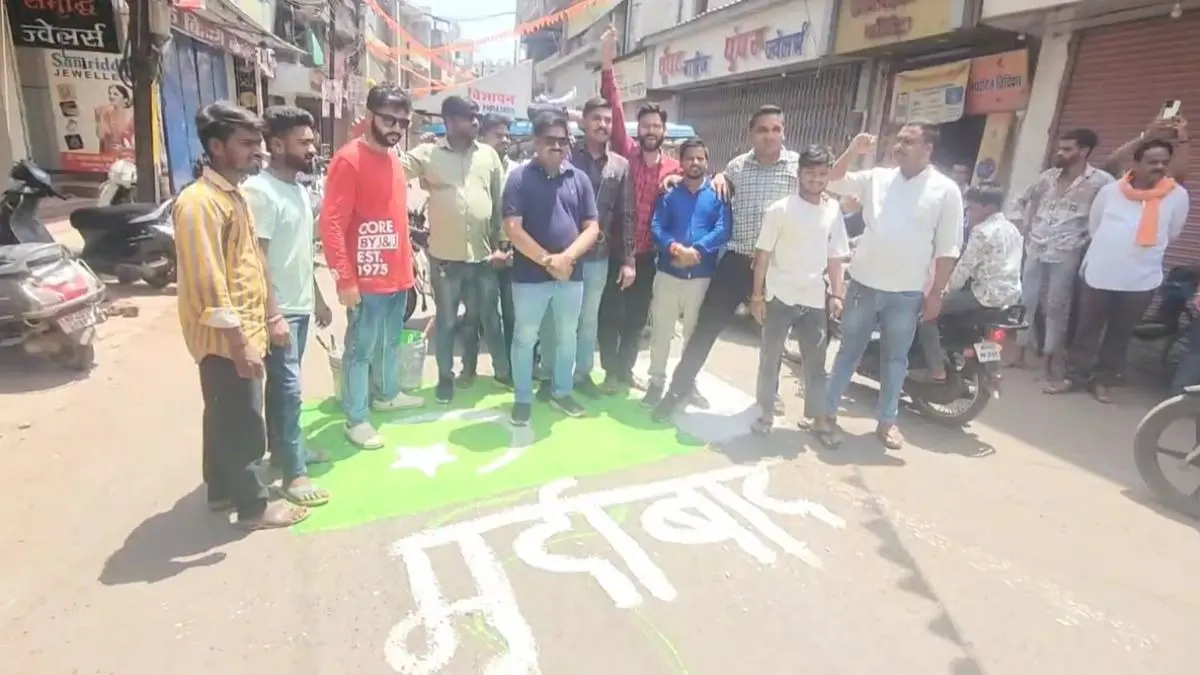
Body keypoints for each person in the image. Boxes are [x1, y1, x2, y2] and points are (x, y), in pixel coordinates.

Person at [173, 102, 307, 529]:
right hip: (226, 338)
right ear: (217, 147)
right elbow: (208, 282)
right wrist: (239, 342)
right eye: (246, 143)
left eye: (258, 142)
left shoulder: (234, 196)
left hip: (245, 328)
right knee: (244, 421)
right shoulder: (199, 203)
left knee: (223, 413)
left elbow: (251, 263)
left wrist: (269, 317)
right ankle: (253, 507)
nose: (258, 151)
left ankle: (222, 491)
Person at [650, 105, 800, 422]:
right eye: (763, 129)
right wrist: (687, 176)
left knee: (772, 335)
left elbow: (818, 189)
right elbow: (707, 180)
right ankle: (676, 391)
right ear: (751, 133)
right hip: (737, 261)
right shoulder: (736, 167)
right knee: (704, 330)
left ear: (784, 132)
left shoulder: (797, 167)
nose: (770, 135)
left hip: (776, 265)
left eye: (776, 129)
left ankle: (768, 396)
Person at [821, 124, 964, 450]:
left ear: (928, 148)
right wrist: (853, 151)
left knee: (895, 360)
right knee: (848, 352)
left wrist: (937, 293)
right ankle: (826, 412)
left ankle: (887, 422)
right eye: (898, 140)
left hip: (906, 293)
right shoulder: (878, 178)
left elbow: (947, 249)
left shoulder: (945, 190)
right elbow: (832, 180)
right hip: (863, 285)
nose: (899, 145)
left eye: (909, 141)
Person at [1045, 138, 1191, 403]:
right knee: (1086, 329)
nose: (1159, 167)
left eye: (1163, 162)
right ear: (1136, 163)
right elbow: (1095, 226)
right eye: (1152, 161)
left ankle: (1104, 380)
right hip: (1101, 272)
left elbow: (1172, 233)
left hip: (1142, 278)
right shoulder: (1111, 191)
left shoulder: (1176, 196)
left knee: (1120, 334)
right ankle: (1074, 377)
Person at [319, 84, 423, 449]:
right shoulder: (349, 160)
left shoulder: (394, 159)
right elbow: (332, 224)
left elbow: (395, 218)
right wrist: (344, 279)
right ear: (369, 116)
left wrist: (409, 267)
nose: (396, 128)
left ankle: (387, 394)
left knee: (390, 343)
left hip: (398, 277)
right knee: (359, 351)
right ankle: (356, 418)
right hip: (365, 280)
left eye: (403, 122)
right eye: (389, 120)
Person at [243, 106, 333, 509]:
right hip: (278, 311)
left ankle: (284, 453)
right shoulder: (260, 192)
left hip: (300, 307)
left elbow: (300, 253)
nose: (312, 149)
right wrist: (272, 314)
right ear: (277, 145)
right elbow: (257, 258)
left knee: (284, 391)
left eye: (312, 141)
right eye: (304, 142)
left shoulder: (297, 189)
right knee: (290, 392)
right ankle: (293, 475)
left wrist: (318, 298)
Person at [401, 96, 510, 403]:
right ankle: (445, 377)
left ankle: (484, 371)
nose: (475, 122)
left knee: (482, 318)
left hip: (483, 257)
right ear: (449, 121)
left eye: (477, 116)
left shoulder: (488, 155)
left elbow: (499, 203)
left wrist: (503, 245)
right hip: (445, 261)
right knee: (447, 321)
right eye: (468, 117)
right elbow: (392, 170)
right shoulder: (428, 154)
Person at [502, 113, 602, 426]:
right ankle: (522, 398)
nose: (557, 146)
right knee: (525, 337)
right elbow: (512, 228)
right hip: (529, 278)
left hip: (570, 276)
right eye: (550, 140)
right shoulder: (519, 178)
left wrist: (567, 258)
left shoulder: (579, 179)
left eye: (562, 140)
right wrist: (549, 260)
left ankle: (562, 392)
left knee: (567, 336)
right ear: (536, 142)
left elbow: (592, 227)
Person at [598, 26, 680, 393]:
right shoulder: (625, 153)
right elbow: (613, 103)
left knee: (635, 319)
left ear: (663, 131)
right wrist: (607, 56)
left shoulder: (674, 169)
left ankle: (625, 369)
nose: (650, 130)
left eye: (656, 126)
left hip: (648, 258)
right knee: (610, 315)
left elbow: (700, 183)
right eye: (645, 125)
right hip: (617, 251)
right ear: (638, 130)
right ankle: (609, 372)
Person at [748, 145, 849, 444]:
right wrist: (757, 297)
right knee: (770, 358)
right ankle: (766, 413)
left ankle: (819, 420)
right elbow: (763, 256)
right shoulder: (780, 210)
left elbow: (835, 256)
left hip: (814, 299)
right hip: (779, 296)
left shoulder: (833, 209)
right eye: (810, 174)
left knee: (816, 364)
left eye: (822, 174)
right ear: (799, 173)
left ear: (828, 175)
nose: (816, 180)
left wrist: (837, 294)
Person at [536, 95, 632, 399]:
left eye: (608, 120)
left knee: (588, 320)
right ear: (584, 123)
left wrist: (628, 259)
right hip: (563, 255)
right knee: (555, 318)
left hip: (597, 258)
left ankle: (581, 373)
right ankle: (549, 374)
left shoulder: (619, 165)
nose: (603, 125)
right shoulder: (565, 157)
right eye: (597, 119)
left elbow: (625, 214)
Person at [1006, 128, 1113, 372]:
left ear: (1084, 151)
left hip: (1067, 250)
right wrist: (1022, 226)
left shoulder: (1101, 182)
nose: (1060, 153)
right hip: (1036, 245)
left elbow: (1111, 210)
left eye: (1067, 149)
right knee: (1026, 300)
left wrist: (1088, 237)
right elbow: (1020, 199)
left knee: (1057, 305)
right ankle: (1019, 352)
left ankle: (1049, 357)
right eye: (1060, 148)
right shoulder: (1048, 177)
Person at [644, 138, 730, 407]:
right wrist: (675, 249)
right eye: (690, 158)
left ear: (707, 161)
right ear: (681, 162)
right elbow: (656, 227)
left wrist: (697, 251)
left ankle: (687, 384)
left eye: (700, 158)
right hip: (668, 274)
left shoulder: (717, 194)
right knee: (661, 332)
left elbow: (723, 228)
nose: (695, 162)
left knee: (693, 335)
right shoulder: (669, 193)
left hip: (701, 278)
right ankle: (655, 382)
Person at [915, 184, 1022, 382]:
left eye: (972, 208)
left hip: (985, 294)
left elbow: (964, 269)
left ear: (988, 208)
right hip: (1011, 296)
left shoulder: (982, 231)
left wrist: (940, 292)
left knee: (926, 312)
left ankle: (937, 368)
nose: (968, 213)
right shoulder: (1013, 229)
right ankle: (990, 370)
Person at [465, 113, 517, 361]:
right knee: (479, 314)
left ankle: (516, 365)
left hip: (514, 251)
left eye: (507, 135)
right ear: (482, 137)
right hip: (482, 252)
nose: (505, 140)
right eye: (498, 135)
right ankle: (473, 367)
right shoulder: (471, 168)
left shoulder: (519, 171)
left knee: (513, 313)